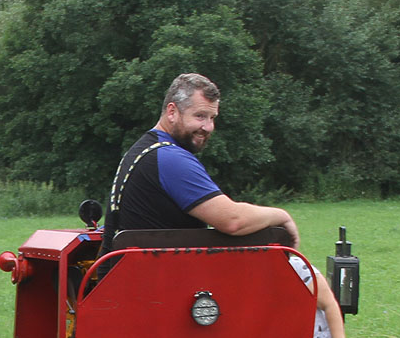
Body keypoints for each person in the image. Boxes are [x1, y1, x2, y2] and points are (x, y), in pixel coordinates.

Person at [102, 73, 300, 250]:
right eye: (200, 116)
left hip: (133, 276)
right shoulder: (170, 158)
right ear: (172, 112)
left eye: (212, 118)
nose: (208, 127)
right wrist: (281, 216)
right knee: (307, 276)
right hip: (159, 283)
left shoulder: (142, 150)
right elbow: (232, 220)